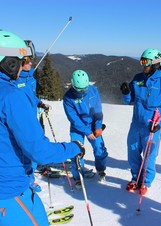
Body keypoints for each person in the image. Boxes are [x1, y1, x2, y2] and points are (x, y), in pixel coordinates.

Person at [0, 30, 85, 226]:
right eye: (20, 60)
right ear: (9, 63)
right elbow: (39, 151)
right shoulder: (11, 96)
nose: (23, 66)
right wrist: (74, 148)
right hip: (9, 192)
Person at [120, 48, 161, 195]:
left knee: (149, 157)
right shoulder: (138, 78)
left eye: (146, 62)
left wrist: (160, 123)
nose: (143, 65)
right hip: (136, 125)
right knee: (132, 153)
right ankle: (135, 179)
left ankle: (146, 182)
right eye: (142, 61)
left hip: (152, 126)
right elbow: (129, 100)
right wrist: (126, 93)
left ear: (155, 64)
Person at [63, 69, 108, 189]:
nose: (83, 91)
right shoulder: (68, 98)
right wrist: (86, 131)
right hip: (78, 127)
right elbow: (73, 118)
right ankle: (78, 177)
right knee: (77, 152)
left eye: (84, 88)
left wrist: (98, 126)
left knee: (100, 149)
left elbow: (98, 111)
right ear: (73, 85)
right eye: (79, 89)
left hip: (93, 124)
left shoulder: (93, 90)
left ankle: (101, 169)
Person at [15, 49, 51, 192]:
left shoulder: (30, 77)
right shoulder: (14, 79)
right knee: (23, 148)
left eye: (31, 60)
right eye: (26, 61)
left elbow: (31, 96)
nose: (30, 63)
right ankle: (26, 182)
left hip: (32, 116)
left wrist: (39, 103)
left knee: (34, 144)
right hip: (20, 119)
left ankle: (30, 177)